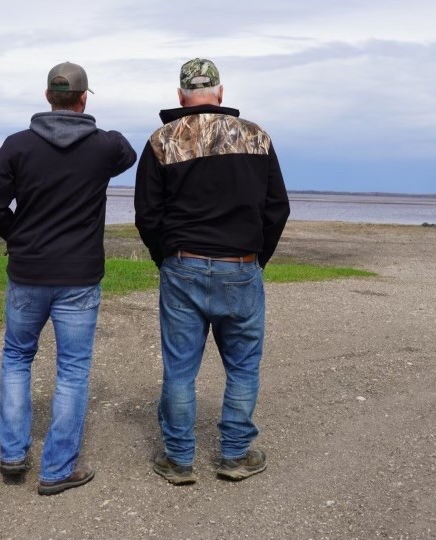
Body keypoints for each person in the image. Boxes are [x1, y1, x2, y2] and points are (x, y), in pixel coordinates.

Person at [0, 62, 137, 495]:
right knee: (72, 369)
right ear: (83, 99)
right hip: (79, 275)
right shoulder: (103, 147)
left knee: (16, 359)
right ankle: (57, 468)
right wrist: (90, 125)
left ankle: (13, 454)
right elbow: (128, 152)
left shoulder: (16, 145)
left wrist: (20, 236)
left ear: (47, 96)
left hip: (29, 271)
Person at [134, 58, 290, 485]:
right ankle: (235, 455)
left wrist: (164, 257)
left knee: (180, 369)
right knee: (241, 367)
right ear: (219, 93)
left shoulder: (163, 140)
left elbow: (147, 214)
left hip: (183, 264)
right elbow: (278, 208)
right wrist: (256, 257)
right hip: (239, 266)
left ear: (181, 96)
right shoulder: (256, 137)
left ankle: (180, 459)